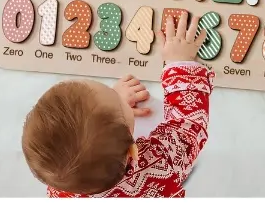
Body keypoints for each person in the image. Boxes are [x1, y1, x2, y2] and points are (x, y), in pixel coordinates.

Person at [22, 12, 214, 197]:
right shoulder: (159, 164)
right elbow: (188, 127)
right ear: (133, 150)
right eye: (115, 96)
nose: (117, 93)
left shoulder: (62, 186)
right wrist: (179, 63)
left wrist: (114, 109)